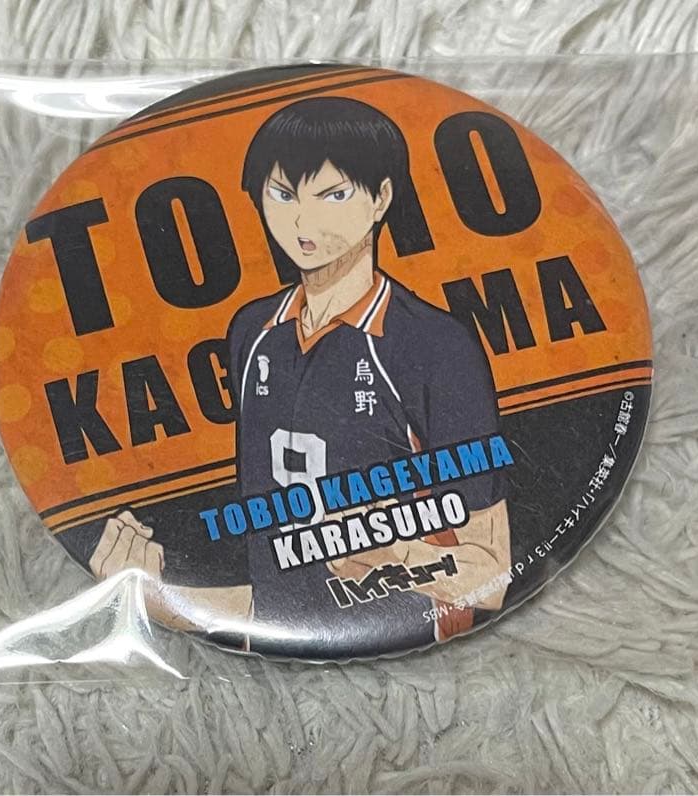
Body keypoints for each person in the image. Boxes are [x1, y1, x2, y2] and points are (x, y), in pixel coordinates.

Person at [90, 97, 512, 657]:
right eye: (283, 194)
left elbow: (492, 577)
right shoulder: (252, 332)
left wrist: (384, 549)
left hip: (419, 662)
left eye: (333, 195)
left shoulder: (436, 346)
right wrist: (153, 596)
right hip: (285, 668)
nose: (302, 221)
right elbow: (284, 606)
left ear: (381, 198)